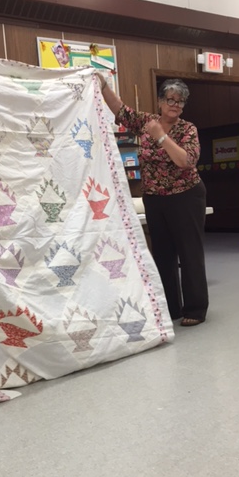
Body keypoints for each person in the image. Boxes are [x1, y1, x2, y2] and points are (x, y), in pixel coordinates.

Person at [99, 74, 208, 327]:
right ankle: (170, 307)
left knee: (189, 252)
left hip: (186, 195)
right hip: (155, 198)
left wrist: (161, 137)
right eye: (170, 99)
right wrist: (103, 85)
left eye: (180, 101)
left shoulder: (187, 129)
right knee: (162, 253)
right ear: (160, 101)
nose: (175, 105)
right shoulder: (146, 121)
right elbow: (121, 110)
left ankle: (196, 308)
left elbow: (185, 161)